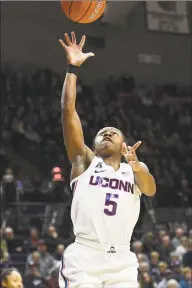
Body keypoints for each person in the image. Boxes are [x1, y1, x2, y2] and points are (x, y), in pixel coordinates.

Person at [58, 31, 156, 288]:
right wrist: (73, 67)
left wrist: (136, 167)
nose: (108, 133)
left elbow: (150, 189)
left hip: (122, 259)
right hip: (85, 256)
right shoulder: (85, 162)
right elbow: (68, 111)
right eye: (102, 133)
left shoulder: (135, 169)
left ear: (124, 144)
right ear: (93, 145)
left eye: (114, 132)